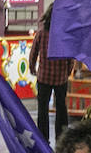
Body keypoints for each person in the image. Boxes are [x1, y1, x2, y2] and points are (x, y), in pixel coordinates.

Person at [29, 8, 75, 144]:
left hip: (44, 77)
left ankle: (43, 139)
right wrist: (67, 72)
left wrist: (33, 68)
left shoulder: (41, 34)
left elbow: (33, 53)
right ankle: (61, 138)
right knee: (61, 108)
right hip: (61, 78)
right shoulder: (65, 35)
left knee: (42, 109)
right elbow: (70, 59)